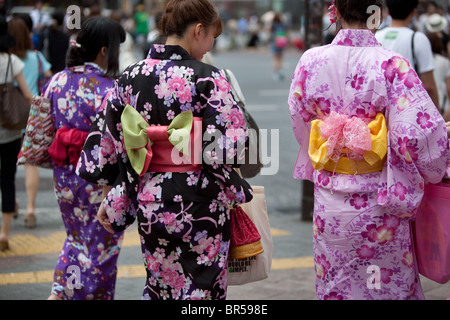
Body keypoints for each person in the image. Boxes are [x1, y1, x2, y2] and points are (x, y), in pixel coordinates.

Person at [77, 0, 253, 300]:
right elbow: (233, 145)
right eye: (212, 36)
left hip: (150, 199)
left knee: (161, 284)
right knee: (202, 290)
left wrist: (117, 193)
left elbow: (107, 145)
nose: (211, 44)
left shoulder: (129, 78)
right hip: (201, 203)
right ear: (199, 31)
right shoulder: (209, 78)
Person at [288, 0, 450, 300]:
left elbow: (300, 120)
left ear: (334, 11)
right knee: (383, 287)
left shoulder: (310, 61)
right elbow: (417, 134)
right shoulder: (391, 64)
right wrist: (436, 166)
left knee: (336, 286)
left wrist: (330, 150)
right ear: (379, 13)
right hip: (379, 200)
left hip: (330, 200)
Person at [45, 16, 126, 300]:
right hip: (98, 177)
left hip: (64, 174)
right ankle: (93, 296)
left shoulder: (57, 80)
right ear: (105, 50)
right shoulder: (110, 88)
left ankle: (63, 292)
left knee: (76, 238)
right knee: (103, 243)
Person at [8, 15, 52, 229]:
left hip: (6, 116)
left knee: (5, 165)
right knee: (31, 164)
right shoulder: (36, 57)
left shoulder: (6, 58)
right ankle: (31, 209)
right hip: (31, 114)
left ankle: (12, 202)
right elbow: (49, 76)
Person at [0, 15, 33, 251]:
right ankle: (4, 233)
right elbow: (29, 95)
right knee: (8, 180)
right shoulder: (12, 62)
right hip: (10, 130)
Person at [375, 0, 440, 109]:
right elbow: (429, 86)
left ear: (388, 12)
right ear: (413, 12)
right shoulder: (418, 39)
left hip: (380, 110)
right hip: (410, 110)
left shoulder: (377, 36)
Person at [426, 32, 450, 118]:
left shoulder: (420, 62)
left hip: (425, 104)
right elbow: (448, 88)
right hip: (441, 102)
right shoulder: (444, 61)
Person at [269, 12, 288, 81]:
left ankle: (276, 73)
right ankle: (281, 72)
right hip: (282, 43)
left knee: (276, 59)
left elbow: (270, 34)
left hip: (275, 43)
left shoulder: (273, 25)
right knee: (281, 58)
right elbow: (286, 33)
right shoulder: (283, 24)